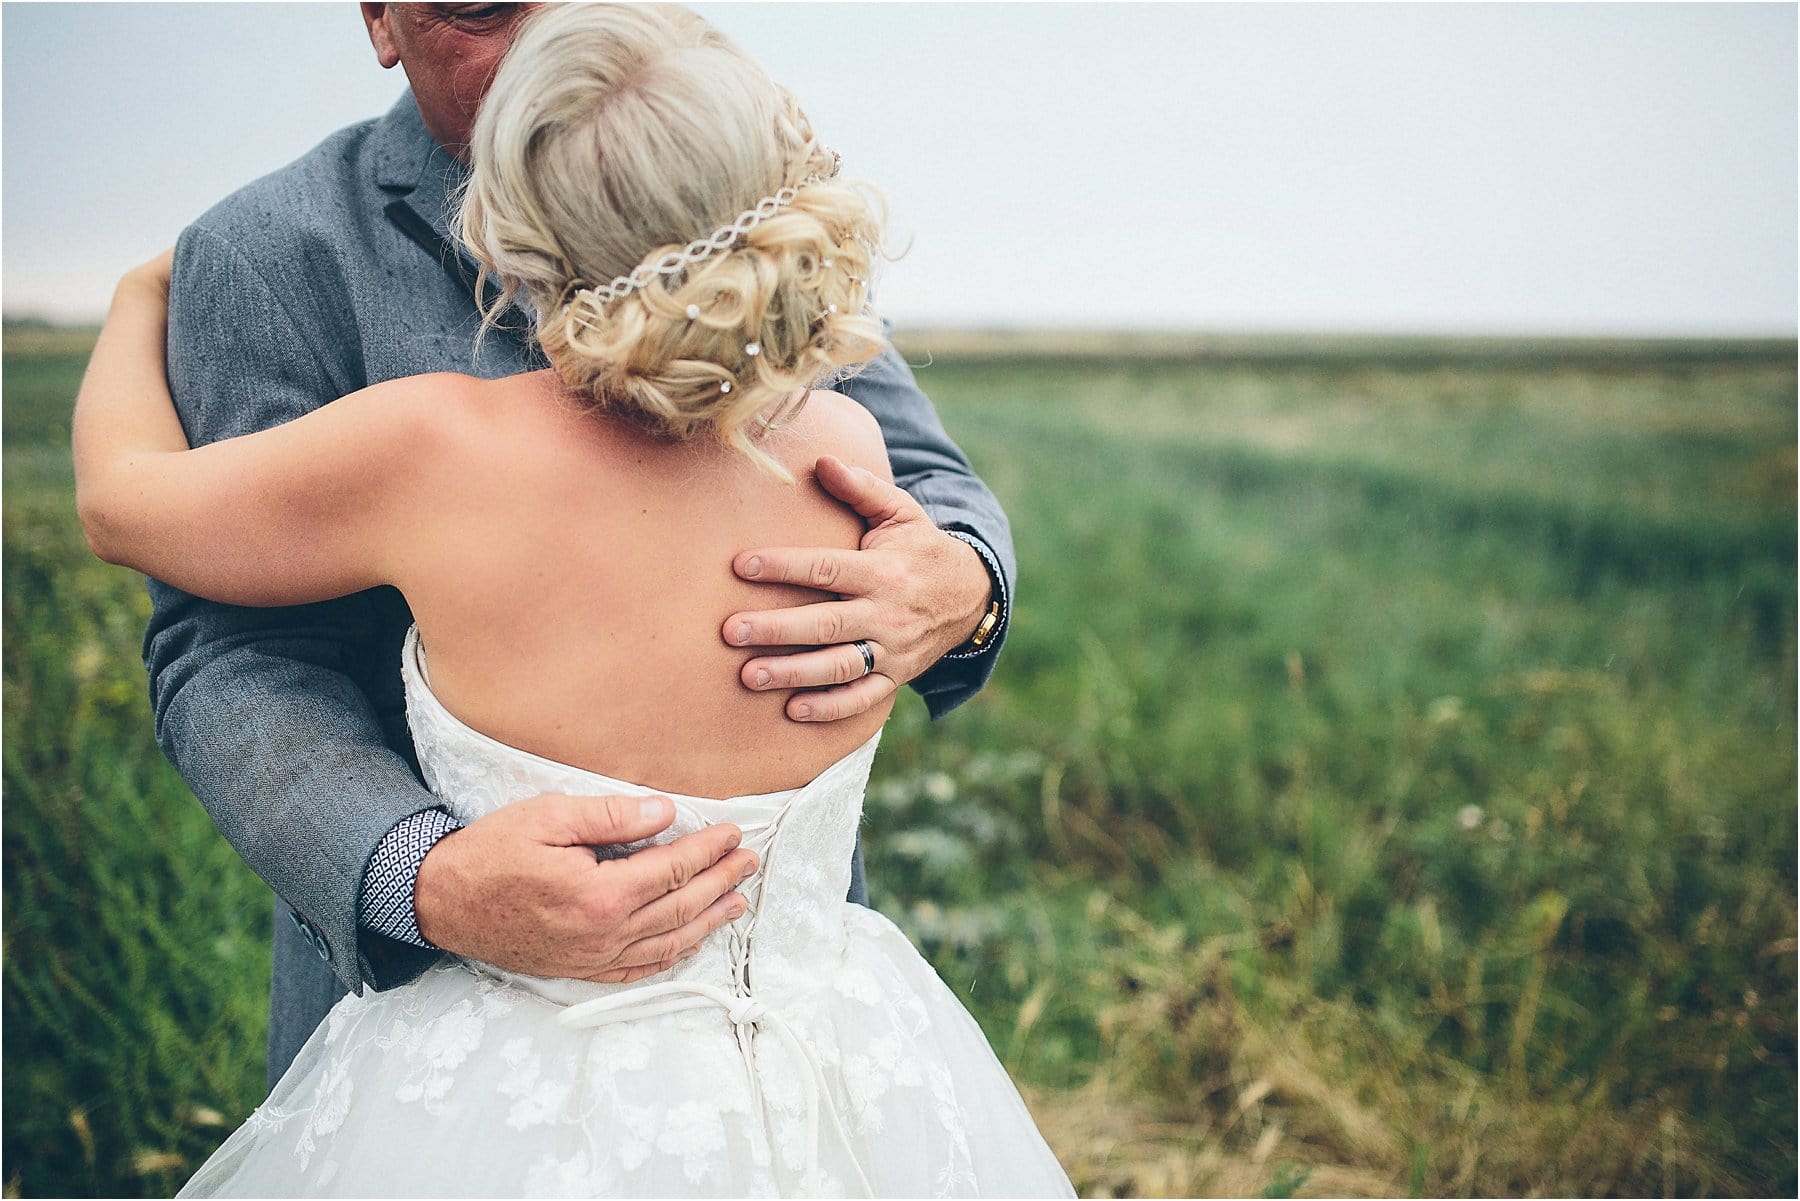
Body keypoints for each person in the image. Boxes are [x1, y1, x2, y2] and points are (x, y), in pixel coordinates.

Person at [75, 4, 1070, 1196]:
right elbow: (226, 648)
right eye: (489, 7)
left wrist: (963, 584)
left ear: (518, 230)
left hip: (648, 1066)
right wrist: (422, 879)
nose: (557, 32)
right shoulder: (271, 253)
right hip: (726, 1048)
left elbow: (128, 507)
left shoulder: (433, 443)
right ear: (382, 20)